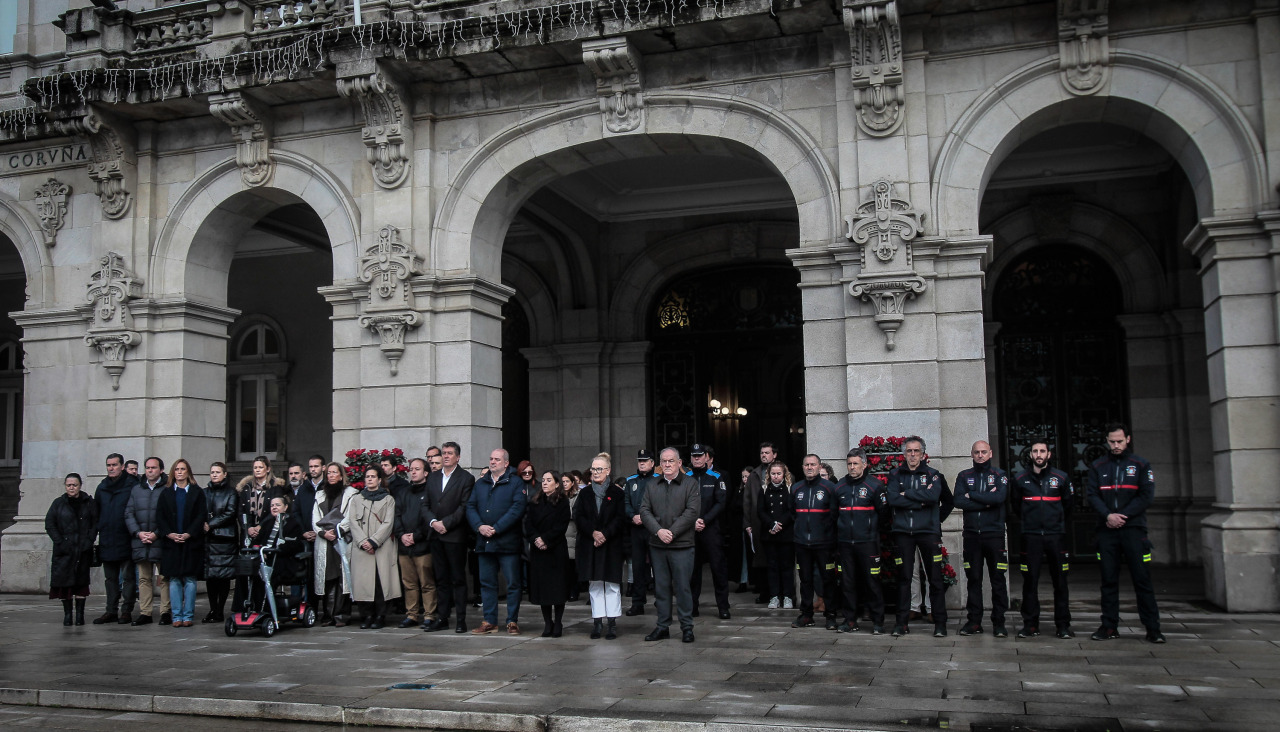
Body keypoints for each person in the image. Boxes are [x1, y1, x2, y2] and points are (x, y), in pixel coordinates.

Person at [1087, 423, 1164, 643]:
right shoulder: (1098, 466)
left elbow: (1146, 496)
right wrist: (1108, 516)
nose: (1116, 445)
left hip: (1133, 530)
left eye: (1119, 441)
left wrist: (1123, 516)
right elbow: (1092, 496)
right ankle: (1109, 626)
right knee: (1108, 581)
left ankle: (1153, 628)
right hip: (1107, 530)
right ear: (1107, 440)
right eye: (1112, 441)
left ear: (1127, 439)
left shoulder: (1140, 464)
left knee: (1142, 580)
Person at [885, 436, 952, 638]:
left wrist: (934, 518)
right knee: (904, 578)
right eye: (909, 451)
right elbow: (893, 499)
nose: (912, 455)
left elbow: (938, 499)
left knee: (935, 579)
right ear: (904, 454)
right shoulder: (895, 474)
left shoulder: (933, 475)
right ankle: (901, 623)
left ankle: (940, 623)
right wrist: (920, 500)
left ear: (923, 454)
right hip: (903, 533)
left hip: (928, 533)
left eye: (916, 451)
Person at [1011, 437, 1073, 640]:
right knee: (1030, 582)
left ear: (1049, 454)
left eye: (1042, 451)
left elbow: (1068, 506)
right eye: (1035, 451)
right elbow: (1016, 507)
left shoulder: (1061, 478)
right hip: (1031, 538)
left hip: (1056, 537)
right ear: (1030, 454)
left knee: (1060, 582)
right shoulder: (1020, 479)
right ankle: (1030, 625)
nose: (1039, 455)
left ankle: (1063, 625)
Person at [640, 447, 700, 643]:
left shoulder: (690, 484)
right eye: (663, 461)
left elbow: (691, 512)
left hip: (682, 545)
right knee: (661, 588)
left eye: (671, 461)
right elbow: (644, 511)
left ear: (679, 463)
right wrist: (658, 531)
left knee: (683, 588)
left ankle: (687, 627)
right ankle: (662, 626)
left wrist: (672, 533)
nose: (666, 464)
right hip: (658, 545)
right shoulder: (651, 484)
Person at [952, 440, 1009, 638]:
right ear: (972, 454)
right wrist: (985, 500)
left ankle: (999, 622)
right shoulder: (964, 476)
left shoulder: (999, 475)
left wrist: (972, 496)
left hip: (994, 535)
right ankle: (974, 621)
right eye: (977, 452)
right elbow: (958, 501)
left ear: (990, 453)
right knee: (973, 579)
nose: (980, 455)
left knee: (998, 580)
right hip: (972, 536)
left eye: (984, 452)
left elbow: (999, 499)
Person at [467, 449, 527, 635]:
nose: (493, 462)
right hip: (484, 542)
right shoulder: (481, 483)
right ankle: (489, 621)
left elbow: (517, 508)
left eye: (497, 459)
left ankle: (512, 621)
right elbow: (470, 506)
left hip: (507, 542)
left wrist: (497, 528)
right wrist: (479, 526)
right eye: (491, 459)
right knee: (487, 583)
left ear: (506, 463)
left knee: (512, 583)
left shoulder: (516, 483)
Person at [423, 442, 475, 633]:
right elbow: (425, 504)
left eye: (450, 453)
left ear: (458, 457)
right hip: (436, 535)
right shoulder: (433, 477)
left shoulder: (466, 478)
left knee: (458, 579)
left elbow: (464, 507)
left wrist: (446, 523)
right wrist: (433, 522)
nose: (446, 456)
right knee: (441, 579)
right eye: (444, 453)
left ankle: (461, 620)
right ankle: (442, 617)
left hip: (455, 536)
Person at [835, 449, 887, 634]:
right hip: (846, 544)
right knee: (848, 583)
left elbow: (884, 514)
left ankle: (878, 621)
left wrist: (870, 531)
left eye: (856, 463)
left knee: (872, 582)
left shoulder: (875, 486)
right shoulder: (840, 486)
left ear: (864, 465)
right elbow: (835, 514)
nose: (852, 467)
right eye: (849, 464)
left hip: (868, 543)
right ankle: (850, 620)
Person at [575, 453, 626, 639]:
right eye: (593, 469)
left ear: (608, 470)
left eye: (599, 469)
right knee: (595, 583)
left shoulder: (617, 493)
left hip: (611, 544)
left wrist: (605, 533)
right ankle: (597, 622)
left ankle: (612, 623)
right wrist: (593, 532)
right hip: (590, 544)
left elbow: (621, 518)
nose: (595, 472)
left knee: (612, 584)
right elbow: (578, 516)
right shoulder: (585, 493)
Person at [345, 465, 401, 629]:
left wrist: (374, 541)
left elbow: (388, 522)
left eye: (373, 476)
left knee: (380, 582)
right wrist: (363, 541)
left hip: (381, 547)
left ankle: (380, 616)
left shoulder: (388, 499)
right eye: (367, 477)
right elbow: (353, 522)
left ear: (379, 479)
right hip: (361, 548)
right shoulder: (356, 499)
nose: (369, 479)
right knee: (363, 583)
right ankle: (367, 615)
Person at [156, 459, 206, 628]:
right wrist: (169, 534)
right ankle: (176, 615)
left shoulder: (197, 492)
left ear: (188, 472)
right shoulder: (166, 492)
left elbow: (201, 515)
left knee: (190, 579)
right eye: (177, 469)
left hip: (191, 542)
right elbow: (160, 517)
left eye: (183, 469)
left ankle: (188, 615)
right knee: (175, 578)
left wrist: (188, 534)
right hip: (171, 543)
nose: (179, 472)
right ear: (173, 472)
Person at [791, 454, 838, 630]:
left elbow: (834, 515)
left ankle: (831, 615)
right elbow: (792, 513)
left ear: (819, 467)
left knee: (828, 580)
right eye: (806, 465)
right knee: (805, 580)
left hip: (824, 543)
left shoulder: (829, 488)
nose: (809, 467)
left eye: (813, 464)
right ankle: (806, 615)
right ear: (802, 467)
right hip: (802, 543)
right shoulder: (796, 488)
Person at [92, 453, 140, 624]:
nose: (111, 468)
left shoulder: (132, 485)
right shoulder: (102, 487)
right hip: (107, 538)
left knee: (128, 578)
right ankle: (110, 610)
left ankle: (126, 610)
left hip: (126, 538)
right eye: (108, 465)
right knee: (110, 578)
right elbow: (96, 512)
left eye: (114, 465)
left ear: (122, 466)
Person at [46, 472, 98, 626]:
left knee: (81, 582)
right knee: (64, 582)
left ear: (80, 485)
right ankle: (67, 615)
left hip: (82, 550)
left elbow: (95, 524)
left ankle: (80, 615)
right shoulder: (58, 503)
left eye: (74, 485)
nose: (71, 488)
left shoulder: (88, 502)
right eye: (69, 485)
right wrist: (60, 542)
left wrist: (89, 540)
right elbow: (50, 524)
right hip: (64, 551)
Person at [234, 456, 285, 613]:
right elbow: (241, 511)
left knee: (263, 570)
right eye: (255, 467)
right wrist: (248, 527)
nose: (257, 470)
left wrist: (260, 526)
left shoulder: (275, 488)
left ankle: (262, 605)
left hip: (266, 531)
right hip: (248, 534)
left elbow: (275, 510)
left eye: (260, 467)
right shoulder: (246, 488)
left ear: (267, 469)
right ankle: (243, 606)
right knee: (245, 569)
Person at [125, 457, 171, 626]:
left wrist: (157, 534)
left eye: (153, 467)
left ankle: (166, 611)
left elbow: (170, 515)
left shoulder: (167, 488)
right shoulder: (137, 489)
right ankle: (145, 612)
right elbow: (129, 513)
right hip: (141, 541)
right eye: (147, 468)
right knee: (144, 578)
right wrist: (138, 533)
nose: (150, 470)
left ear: (161, 470)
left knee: (165, 577)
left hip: (160, 541)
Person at [527, 469, 572, 637]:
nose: (544, 483)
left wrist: (546, 539)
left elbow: (561, 525)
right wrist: (536, 539)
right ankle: (547, 622)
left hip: (555, 549)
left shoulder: (562, 502)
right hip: (539, 551)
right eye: (543, 480)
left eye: (548, 480)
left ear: (557, 483)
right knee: (542, 588)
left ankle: (558, 621)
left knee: (557, 588)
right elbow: (528, 523)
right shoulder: (535, 501)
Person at [687, 444, 730, 619]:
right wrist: (693, 521)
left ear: (706, 457)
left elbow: (721, 502)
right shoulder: (685, 477)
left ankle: (723, 607)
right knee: (692, 570)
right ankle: (692, 606)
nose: (697, 459)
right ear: (690, 458)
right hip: (690, 529)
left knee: (718, 569)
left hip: (711, 529)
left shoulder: (716, 477)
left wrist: (704, 520)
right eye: (694, 456)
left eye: (700, 456)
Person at [313, 462, 358, 626]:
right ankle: (328, 614)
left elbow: (350, 516)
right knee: (327, 577)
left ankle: (341, 615)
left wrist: (337, 530)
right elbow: (315, 518)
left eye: (334, 472)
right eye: (329, 473)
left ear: (341, 475)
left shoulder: (350, 494)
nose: (331, 475)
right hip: (325, 542)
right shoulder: (320, 495)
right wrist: (323, 533)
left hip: (342, 540)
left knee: (342, 578)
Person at [394, 457, 436, 629]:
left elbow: (430, 518)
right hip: (404, 547)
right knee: (409, 584)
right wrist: (401, 534)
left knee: (427, 583)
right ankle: (411, 615)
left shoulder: (431, 492)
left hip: (422, 545)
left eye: (417, 469)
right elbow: (396, 515)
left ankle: (429, 615)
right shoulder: (404, 492)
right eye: (411, 468)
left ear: (426, 473)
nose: (413, 471)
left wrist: (416, 536)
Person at [622, 449, 657, 616]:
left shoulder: (659, 480)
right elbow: (626, 502)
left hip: (653, 529)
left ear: (652, 463)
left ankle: (661, 600)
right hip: (636, 529)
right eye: (639, 460)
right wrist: (632, 516)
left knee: (658, 566)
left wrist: (647, 518)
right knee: (637, 567)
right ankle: (638, 602)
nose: (642, 463)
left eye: (645, 460)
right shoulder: (630, 481)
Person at [742, 442, 777, 603]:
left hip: (777, 521)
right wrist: (747, 523)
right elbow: (747, 500)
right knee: (760, 558)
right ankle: (764, 593)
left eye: (767, 452)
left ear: (774, 455)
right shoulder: (755, 474)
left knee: (776, 558)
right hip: (757, 522)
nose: (764, 455)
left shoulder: (781, 471)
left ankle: (779, 593)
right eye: (762, 452)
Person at [202, 462, 238, 623]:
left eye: (218, 472)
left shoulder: (231, 492)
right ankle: (212, 608)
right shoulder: (204, 492)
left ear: (225, 474)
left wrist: (211, 523)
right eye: (212, 472)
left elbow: (230, 512)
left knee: (223, 576)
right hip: (209, 539)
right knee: (211, 576)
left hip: (225, 539)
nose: (214, 475)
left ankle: (220, 610)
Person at [757, 461, 794, 610]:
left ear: (784, 474)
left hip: (785, 534)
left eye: (779, 474)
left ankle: (787, 596)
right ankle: (774, 596)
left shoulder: (790, 489)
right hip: (769, 534)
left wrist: (780, 524)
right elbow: (760, 510)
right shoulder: (764, 489)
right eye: (773, 474)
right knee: (772, 566)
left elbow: (791, 510)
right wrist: (771, 524)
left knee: (786, 566)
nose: (776, 477)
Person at [562, 473, 581, 602]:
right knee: (564, 567)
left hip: (573, 532)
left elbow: (575, 513)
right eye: (562, 481)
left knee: (573, 565)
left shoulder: (578, 496)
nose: (565, 484)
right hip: (562, 533)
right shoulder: (557, 496)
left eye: (567, 481)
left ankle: (574, 591)